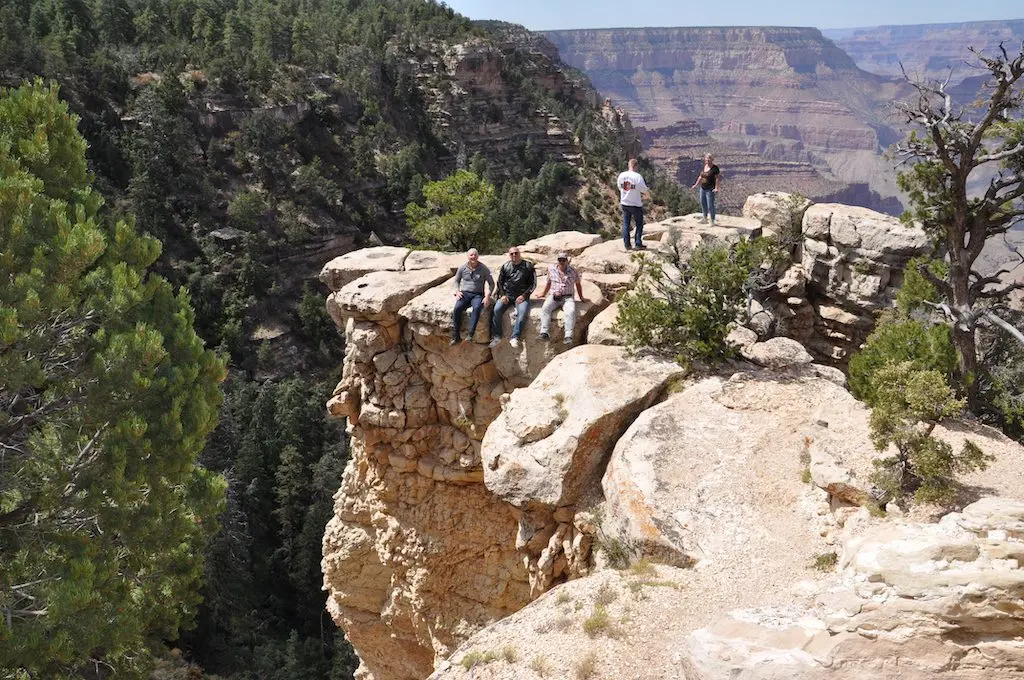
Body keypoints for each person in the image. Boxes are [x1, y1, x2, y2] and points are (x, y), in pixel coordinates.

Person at [489, 246, 536, 349]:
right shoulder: (506, 266)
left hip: (521, 295)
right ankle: (497, 336)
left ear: (519, 253)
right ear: (509, 255)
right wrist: (503, 294)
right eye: (512, 254)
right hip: (508, 295)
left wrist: (524, 295)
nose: (514, 255)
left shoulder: (528, 266)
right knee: (496, 309)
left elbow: (533, 284)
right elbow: (500, 282)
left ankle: (515, 337)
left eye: (516, 253)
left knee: (522, 312)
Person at [537, 252, 585, 346]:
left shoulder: (573, 271)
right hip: (554, 296)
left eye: (564, 260)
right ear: (557, 261)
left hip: (568, 296)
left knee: (570, 311)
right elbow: (549, 282)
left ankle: (568, 336)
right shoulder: (552, 269)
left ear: (567, 261)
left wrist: (581, 297)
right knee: (545, 308)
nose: (562, 262)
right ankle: (544, 332)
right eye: (560, 260)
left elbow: (578, 284)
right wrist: (543, 293)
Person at [451, 248, 494, 345]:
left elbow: (491, 283)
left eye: (475, 255)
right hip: (465, 293)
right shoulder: (462, 268)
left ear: (478, 256)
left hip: (477, 294)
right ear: (468, 256)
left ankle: (470, 334)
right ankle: (456, 335)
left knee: (477, 307)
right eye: (471, 255)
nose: (473, 257)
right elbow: (456, 281)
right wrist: (457, 291)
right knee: (457, 308)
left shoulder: (483, 268)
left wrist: (487, 295)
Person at [617, 158, 650, 251]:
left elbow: (620, 187)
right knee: (639, 224)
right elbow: (644, 190)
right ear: (636, 166)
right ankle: (638, 243)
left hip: (625, 203)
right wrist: (647, 196)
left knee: (626, 224)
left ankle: (627, 245)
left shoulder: (621, 175)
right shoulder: (637, 177)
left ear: (629, 165)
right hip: (635, 204)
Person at [691, 153, 720, 225]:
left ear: (712, 159)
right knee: (703, 203)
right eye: (706, 158)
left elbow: (717, 179)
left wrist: (716, 188)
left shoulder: (715, 168)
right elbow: (701, 176)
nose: (707, 159)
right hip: (703, 188)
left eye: (709, 158)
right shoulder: (705, 166)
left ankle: (712, 221)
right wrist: (695, 184)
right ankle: (704, 218)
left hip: (710, 189)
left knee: (710, 205)